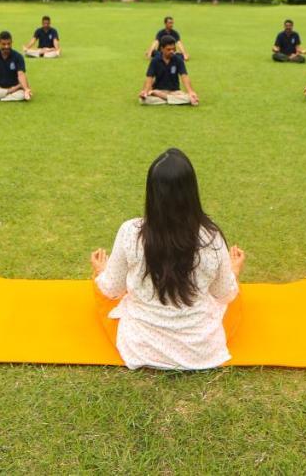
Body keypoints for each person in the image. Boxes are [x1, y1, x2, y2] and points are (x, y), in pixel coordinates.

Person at [90, 148, 246, 370]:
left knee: (104, 299)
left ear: (152, 193)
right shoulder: (212, 238)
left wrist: (101, 270)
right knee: (236, 301)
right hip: (200, 350)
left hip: (141, 346)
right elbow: (226, 294)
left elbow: (110, 289)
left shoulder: (130, 232)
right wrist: (234, 270)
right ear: (191, 192)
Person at [140, 36, 199, 105]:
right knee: (143, 100)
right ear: (162, 49)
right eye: (168, 49)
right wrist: (145, 91)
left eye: (173, 49)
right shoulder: (155, 61)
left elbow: (184, 76)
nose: (172, 51)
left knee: (192, 99)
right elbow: (149, 78)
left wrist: (190, 92)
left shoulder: (178, 60)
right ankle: (172, 100)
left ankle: (165, 99)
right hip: (159, 90)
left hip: (174, 92)